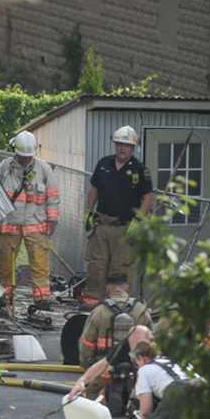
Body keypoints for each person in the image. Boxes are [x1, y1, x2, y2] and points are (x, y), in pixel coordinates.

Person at [0, 131, 60, 314]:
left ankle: (41, 300)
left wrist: (52, 220)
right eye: (22, 156)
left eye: (28, 157)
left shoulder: (43, 169)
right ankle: (6, 301)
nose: (25, 160)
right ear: (15, 152)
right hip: (8, 225)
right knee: (4, 263)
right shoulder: (4, 168)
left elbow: (52, 196)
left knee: (40, 264)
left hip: (36, 224)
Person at [84, 125, 154, 304]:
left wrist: (138, 221)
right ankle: (91, 305)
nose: (122, 148)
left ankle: (118, 307)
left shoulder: (140, 169)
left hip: (125, 228)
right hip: (101, 224)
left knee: (120, 269)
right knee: (96, 266)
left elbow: (148, 197)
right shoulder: (103, 164)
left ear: (133, 147)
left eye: (126, 145)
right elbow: (94, 189)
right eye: (119, 144)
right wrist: (88, 212)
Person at [75, 275, 152, 412]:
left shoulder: (99, 312)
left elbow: (86, 343)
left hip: (104, 369)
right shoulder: (141, 311)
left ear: (107, 288)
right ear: (126, 287)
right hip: (137, 370)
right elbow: (152, 343)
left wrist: (87, 368)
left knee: (88, 399)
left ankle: (101, 402)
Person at [131, 340, 193, 419]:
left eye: (136, 363)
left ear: (142, 358)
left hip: (178, 395)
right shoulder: (177, 363)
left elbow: (145, 410)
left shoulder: (144, 370)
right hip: (202, 393)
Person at [67, 324, 152, 401]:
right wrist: (82, 381)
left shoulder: (160, 350)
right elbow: (102, 365)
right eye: (134, 350)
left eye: (141, 351)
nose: (137, 354)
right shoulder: (124, 347)